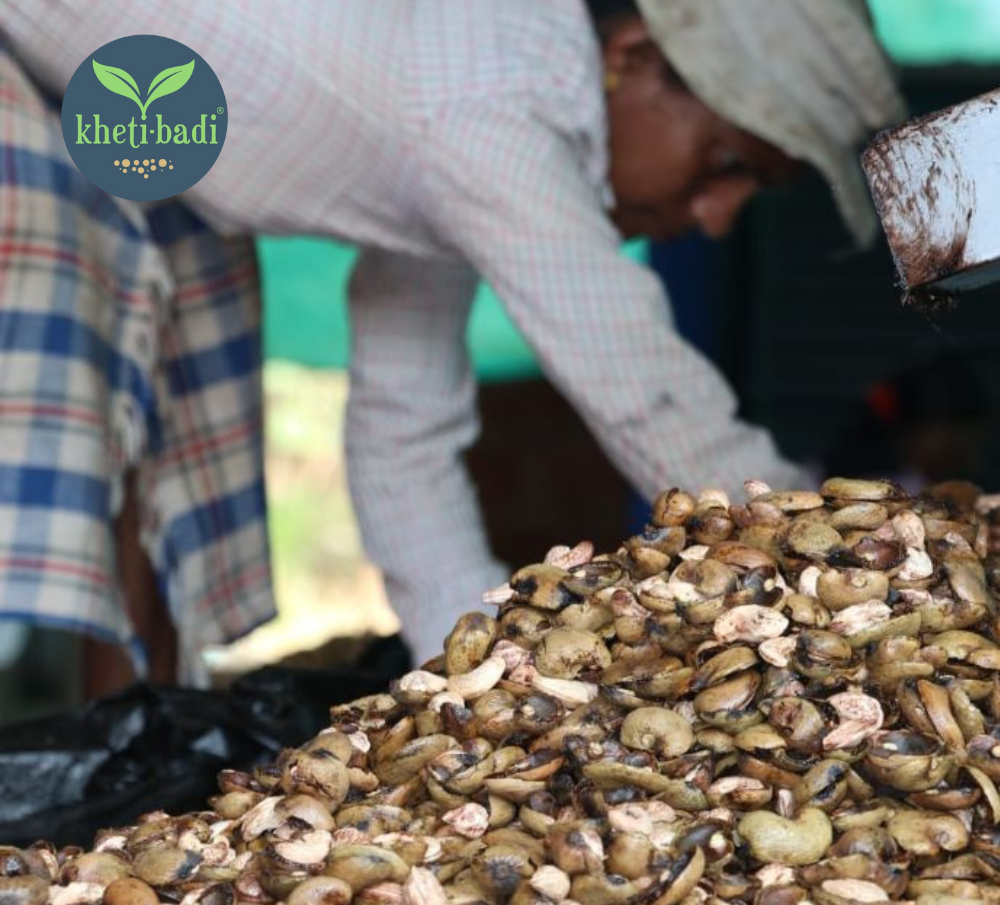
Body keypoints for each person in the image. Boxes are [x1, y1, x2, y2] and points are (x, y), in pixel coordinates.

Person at [0, 0, 904, 680]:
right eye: (726, 166)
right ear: (633, 56)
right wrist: (852, 562)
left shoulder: (469, 136)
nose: (714, 220)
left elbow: (405, 435)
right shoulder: (491, 99)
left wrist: (474, 665)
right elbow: (648, 396)